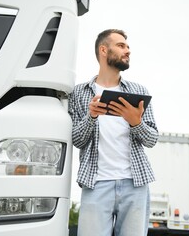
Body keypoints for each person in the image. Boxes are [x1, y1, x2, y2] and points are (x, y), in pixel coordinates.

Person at [68, 29, 159, 236]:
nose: (127, 50)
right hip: (96, 184)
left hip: (135, 184)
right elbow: (77, 140)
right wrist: (91, 116)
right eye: (121, 46)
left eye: (127, 46)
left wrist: (135, 122)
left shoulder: (139, 91)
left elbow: (152, 139)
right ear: (103, 50)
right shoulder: (79, 93)